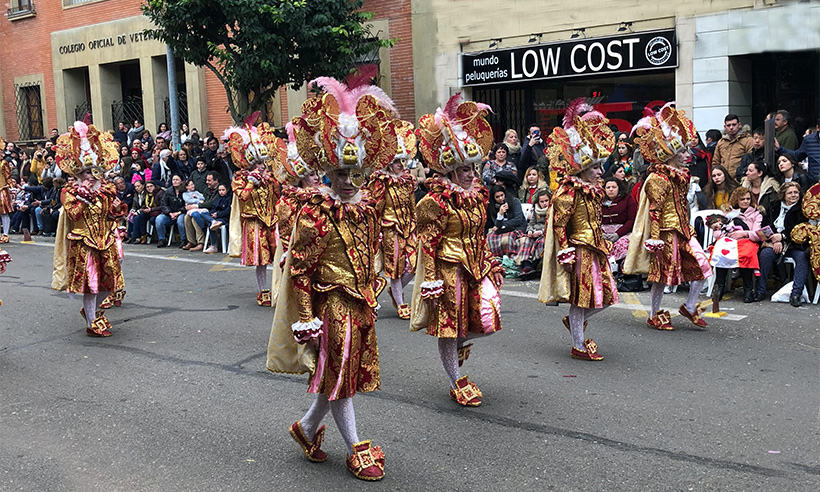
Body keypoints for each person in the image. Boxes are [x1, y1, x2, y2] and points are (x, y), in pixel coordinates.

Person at [267, 77, 396, 481]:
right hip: (329, 304)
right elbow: (301, 269)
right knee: (340, 376)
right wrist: (305, 317)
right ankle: (357, 447)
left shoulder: (368, 209)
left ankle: (306, 429)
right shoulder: (315, 210)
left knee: (339, 373)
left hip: (359, 302)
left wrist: (379, 280)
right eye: (339, 172)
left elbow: (371, 251)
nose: (345, 181)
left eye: (353, 173)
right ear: (326, 169)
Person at [412, 93, 504, 407]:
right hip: (449, 269)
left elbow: (480, 234)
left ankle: (459, 347)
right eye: (464, 169)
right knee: (449, 329)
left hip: (475, 266)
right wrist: (430, 281)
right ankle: (456, 380)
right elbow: (428, 243)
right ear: (451, 170)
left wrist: (490, 261)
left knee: (488, 319)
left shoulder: (478, 195)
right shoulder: (433, 202)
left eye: (472, 168)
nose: (470, 174)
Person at [539, 99, 618, 360]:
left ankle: (574, 324)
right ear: (582, 168)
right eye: (595, 167)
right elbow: (559, 225)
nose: (600, 172)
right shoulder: (568, 193)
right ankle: (578, 344)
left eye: (600, 166)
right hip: (580, 250)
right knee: (581, 300)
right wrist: (566, 253)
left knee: (606, 297)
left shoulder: (593, 191)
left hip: (596, 247)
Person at [624, 103, 712, 331]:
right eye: (682, 151)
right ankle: (654, 314)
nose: (688, 155)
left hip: (684, 228)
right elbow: (654, 210)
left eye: (687, 150)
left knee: (703, 265)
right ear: (671, 154)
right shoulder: (658, 178)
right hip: (665, 232)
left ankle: (690, 306)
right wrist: (655, 238)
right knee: (663, 276)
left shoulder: (682, 175)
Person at [51, 121, 126, 337]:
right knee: (90, 284)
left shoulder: (107, 190)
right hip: (84, 242)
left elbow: (114, 213)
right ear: (78, 173)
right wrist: (83, 197)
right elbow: (73, 214)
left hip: (106, 239)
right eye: (86, 173)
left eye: (94, 172)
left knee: (111, 283)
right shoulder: (69, 191)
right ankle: (92, 320)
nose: (90, 176)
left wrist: (116, 210)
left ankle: (90, 311)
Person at [226, 119, 283, 307]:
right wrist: (251, 182)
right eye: (258, 163)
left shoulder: (270, 175)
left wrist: (270, 181)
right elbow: (241, 196)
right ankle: (262, 291)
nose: (261, 166)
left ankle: (279, 288)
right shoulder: (240, 177)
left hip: (272, 220)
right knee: (261, 260)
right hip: (254, 221)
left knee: (278, 256)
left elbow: (277, 194)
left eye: (262, 163)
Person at [367, 120, 418, 320]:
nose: (400, 165)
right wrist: (376, 231)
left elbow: (412, 206)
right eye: (397, 162)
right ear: (389, 162)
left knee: (413, 264)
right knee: (394, 266)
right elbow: (375, 207)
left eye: (402, 161)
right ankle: (400, 301)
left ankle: (394, 291)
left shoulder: (406, 180)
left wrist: (415, 223)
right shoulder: (381, 182)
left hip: (409, 227)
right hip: (389, 227)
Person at [754, 182, 809, 306]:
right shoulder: (774, 206)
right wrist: (774, 239)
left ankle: (796, 294)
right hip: (773, 243)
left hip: (794, 244)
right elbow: (765, 225)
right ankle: (760, 291)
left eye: (796, 192)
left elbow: (801, 229)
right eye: (790, 193)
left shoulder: (803, 209)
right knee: (765, 255)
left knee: (802, 257)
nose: (793, 195)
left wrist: (783, 237)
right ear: (783, 195)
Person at [514, 189, 549, 275]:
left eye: (546, 201)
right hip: (534, 231)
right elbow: (531, 223)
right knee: (526, 240)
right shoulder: (535, 209)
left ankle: (534, 265)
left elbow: (551, 225)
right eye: (542, 201)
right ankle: (526, 264)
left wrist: (541, 232)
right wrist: (529, 231)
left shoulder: (552, 210)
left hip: (545, 233)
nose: (544, 203)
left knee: (541, 242)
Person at [601, 177, 637, 262]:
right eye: (608, 187)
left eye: (614, 187)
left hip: (623, 232)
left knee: (623, 244)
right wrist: (601, 233)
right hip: (603, 233)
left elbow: (631, 220)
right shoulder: (599, 200)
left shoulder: (628, 200)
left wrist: (617, 234)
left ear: (619, 188)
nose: (611, 190)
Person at [486, 185, 527, 258]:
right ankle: (496, 257)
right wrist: (500, 214)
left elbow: (518, 219)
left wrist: (503, 224)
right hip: (502, 230)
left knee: (507, 238)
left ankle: (511, 257)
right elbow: (496, 224)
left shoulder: (515, 201)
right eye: (497, 197)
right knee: (490, 238)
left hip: (516, 227)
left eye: (502, 195)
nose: (500, 198)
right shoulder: (492, 207)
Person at [776, 117, 820, 183]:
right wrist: (780, 149)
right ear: (818, 128)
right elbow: (797, 156)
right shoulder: (809, 140)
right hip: (815, 185)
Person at [711, 114, 753, 178]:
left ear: (739, 125)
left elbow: (752, 160)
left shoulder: (748, 140)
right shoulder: (721, 142)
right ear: (725, 127)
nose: (731, 127)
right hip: (724, 180)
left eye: (734, 125)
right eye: (728, 125)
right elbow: (715, 162)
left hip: (741, 179)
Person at [155, 174, 187, 248]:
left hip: (181, 213)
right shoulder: (168, 191)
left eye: (177, 180)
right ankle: (162, 239)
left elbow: (187, 205)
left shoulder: (185, 191)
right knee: (159, 219)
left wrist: (179, 212)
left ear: (181, 181)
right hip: (170, 214)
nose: (175, 181)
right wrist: (169, 213)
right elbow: (164, 204)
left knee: (180, 220)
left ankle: (183, 240)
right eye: (173, 180)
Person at [0, 136, 12, 243]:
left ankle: (6, 233)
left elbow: (8, 176)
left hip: (2, 189)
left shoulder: (3, 163)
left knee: (4, 212)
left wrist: (11, 187)